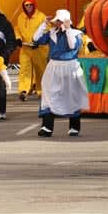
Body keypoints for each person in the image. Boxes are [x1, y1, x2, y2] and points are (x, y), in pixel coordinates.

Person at [34, 9, 90, 137]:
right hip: (54, 67)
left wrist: (68, 28)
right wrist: (43, 24)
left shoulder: (76, 33)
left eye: (60, 21)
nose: (58, 23)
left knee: (72, 95)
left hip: (70, 67)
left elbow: (72, 46)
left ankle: (74, 127)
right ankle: (47, 127)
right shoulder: (52, 33)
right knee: (49, 95)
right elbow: (36, 39)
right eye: (57, 21)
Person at [13, 0, 48, 101]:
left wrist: (40, 41)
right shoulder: (21, 17)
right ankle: (23, 90)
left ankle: (41, 90)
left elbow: (46, 29)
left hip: (39, 48)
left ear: (34, 5)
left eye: (30, 5)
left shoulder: (41, 16)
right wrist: (18, 38)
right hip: (25, 48)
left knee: (40, 70)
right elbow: (17, 29)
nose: (28, 7)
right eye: (26, 5)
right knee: (24, 69)